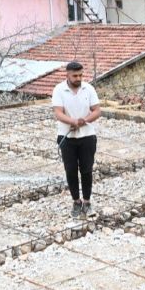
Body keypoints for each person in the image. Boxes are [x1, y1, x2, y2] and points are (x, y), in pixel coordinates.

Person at [52, 61, 101, 219]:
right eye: (75, 76)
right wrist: (72, 122)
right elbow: (58, 113)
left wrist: (84, 120)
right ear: (67, 75)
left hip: (87, 136)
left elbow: (97, 111)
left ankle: (87, 202)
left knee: (86, 170)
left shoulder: (89, 88)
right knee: (71, 171)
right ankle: (76, 201)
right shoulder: (59, 90)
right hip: (67, 137)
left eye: (80, 75)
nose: (78, 78)